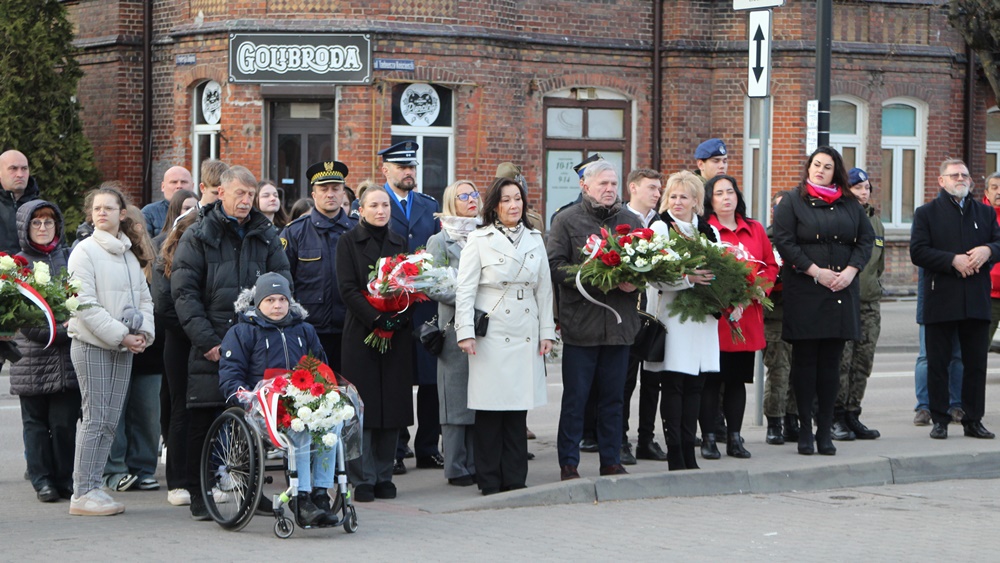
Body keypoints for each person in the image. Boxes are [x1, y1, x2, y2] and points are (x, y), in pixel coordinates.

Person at [171, 165, 291, 519]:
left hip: (255, 343)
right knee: (204, 419)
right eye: (240, 193)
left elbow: (282, 280)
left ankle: (251, 491)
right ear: (220, 192)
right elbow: (185, 293)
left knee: (252, 422)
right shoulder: (198, 234)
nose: (246, 200)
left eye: (251, 195)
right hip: (212, 341)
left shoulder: (265, 233)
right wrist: (207, 341)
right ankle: (200, 492)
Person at [772, 146, 874, 456]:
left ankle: (825, 431)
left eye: (827, 167)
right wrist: (816, 272)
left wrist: (851, 271)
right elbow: (784, 241)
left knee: (831, 365)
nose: (820, 170)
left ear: (835, 172)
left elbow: (865, 240)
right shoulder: (793, 201)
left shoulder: (849, 203)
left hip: (841, 290)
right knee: (804, 364)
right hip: (806, 290)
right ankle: (805, 430)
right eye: (816, 165)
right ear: (808, 167)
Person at [456, 177, 555, 495]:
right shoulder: (479, 239)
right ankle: (489, 479)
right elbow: (465, 289)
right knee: (489, 408)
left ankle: (515, 478)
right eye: (506, 200)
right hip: (492, 332)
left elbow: (544, 289)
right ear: (494, 205)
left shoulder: (535, 238)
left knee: (516, 410)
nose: (514, 205)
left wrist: (547, 331)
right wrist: (465, 332)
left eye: (518, 199)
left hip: (525, 328)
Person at [547, 159, 641, 480]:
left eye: (613, 183)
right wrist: (596, 276)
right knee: (577, 399)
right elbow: (555, 266)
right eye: (603, 183)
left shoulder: (631, 220)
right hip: (581, 324)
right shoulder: (566, 220)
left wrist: (635, 281)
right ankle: (568, 463)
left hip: (619, 326)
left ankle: (611, 460)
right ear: (584, 186)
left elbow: (647, 265)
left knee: (614, 399)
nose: (610, 189)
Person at [218, 272, 334, 526]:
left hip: (301, 404)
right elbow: (230, 378)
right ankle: (301, 498)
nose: (278, 305)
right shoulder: (242, 332)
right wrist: (249, 399)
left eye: (282, 299)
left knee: (331, 424)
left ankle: (321, 493)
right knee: (299, 430)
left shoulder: (304, 330)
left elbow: (321, 368)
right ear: (258, 302)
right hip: (262, 410)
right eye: (270, 300)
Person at [67, 185, 155, 515]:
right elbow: (83, 304)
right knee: (95, 418)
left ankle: (95, 485)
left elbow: (144, 300)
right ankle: (82, 492)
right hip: (92, 345)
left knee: (109, 420)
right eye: (97, 208)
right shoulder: (84, 252)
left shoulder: (129, 255)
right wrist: (122, 336)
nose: (102, 212)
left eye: (109, 207)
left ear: (122, 214)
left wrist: (143, 333)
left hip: (122, 347)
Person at [910, 158, 1000, 440]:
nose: (961, 179)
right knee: (938, 363)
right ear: (942, 181)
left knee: (975, 364)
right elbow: (918, 251)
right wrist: (952, 260)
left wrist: (988, 250)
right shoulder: (926, 213)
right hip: (941, 298)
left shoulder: (985, 213)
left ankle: (973, 420)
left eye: (964, 175)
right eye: (954, 175)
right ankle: (940, 419)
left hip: (976, 299)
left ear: (971, 181)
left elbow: (999, 243)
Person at [336, 186, 413, 502]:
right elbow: (347, 289)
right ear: (361, 209)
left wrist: (398, 314)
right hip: (362, 331)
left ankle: (384, 474)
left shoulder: (399, 241)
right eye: (374, 205)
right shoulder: (348, 241)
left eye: (385, 205)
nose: (381, 211)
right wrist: (376, 318)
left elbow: (409, 284)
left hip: (395, 332)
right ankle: (363, 477)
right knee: (363, 408)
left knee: (391, 407)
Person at [643, 171, 719, 470]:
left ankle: (690, 450)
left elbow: (721, 271)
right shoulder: (660, 227)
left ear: (696, 201)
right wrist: (688, 278)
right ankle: (675, 453)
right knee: (674, 385)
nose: (677, 202)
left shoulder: (708, 231)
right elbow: (654, 274)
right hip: (672, 318)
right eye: (672, 196)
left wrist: (733, 297)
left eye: (683, 197)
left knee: (696, 386)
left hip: (702, 320)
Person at [377, 141, 444, 474]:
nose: (409, 172)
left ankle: (428, 447)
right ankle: (397, 448)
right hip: (391, 304)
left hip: (425, 305)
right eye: (402, 167)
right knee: (397, 380)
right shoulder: (375, 203)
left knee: (431, 380)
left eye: (412, 167)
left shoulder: (428, 205)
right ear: (385, 170)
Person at [701, 175, 778, 460]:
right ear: (710, 200)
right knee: (711, 381)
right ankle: (709, 438)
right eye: (719, 193)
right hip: (715, 316)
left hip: (746, 315)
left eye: (730, 192)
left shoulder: (754, 228)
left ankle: (735, 437)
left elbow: (770, 265)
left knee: (737, 380)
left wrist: (757, 289)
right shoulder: (705, 230)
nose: (726, 198)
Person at [10, 200, 79, 503]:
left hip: (68, 361)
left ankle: (64, 479)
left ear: (57, 225)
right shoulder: (17, 265)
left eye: (48, 222)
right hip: (32, 360)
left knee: (64, 424)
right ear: (25, 228)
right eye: (36, 222)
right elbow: (24, 321)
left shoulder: (71, 258)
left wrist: (74, 325)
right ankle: (42, 481)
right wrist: (66, 330)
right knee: (35, 425)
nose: (42, 228)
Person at [102, 206, 163, 493]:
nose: (132, 233)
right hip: (114, 346)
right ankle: (115, 470)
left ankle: (144, 468)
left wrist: (144, 334)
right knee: (115, 415)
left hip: (150, 350)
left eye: (135, 227)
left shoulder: (155, 263)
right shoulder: (105, 259)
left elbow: (156, 304)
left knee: (148, 416)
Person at [425, 180, 481, 487]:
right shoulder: (440, 240)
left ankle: (475, 461)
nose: (472, 199)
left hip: (484, 326)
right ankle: (456, 466)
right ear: (451, 202)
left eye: (475, 194)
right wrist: (467, 295)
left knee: (478, 397)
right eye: (464, 196)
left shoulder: (486, 234)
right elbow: (433, 286)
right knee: (455, 397)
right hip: (453, 328)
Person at [280, 160, 357, 371]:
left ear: (343, 193)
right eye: (324, 189)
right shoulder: (294, 233)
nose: (330, 194)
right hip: (309, 330)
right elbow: (284, 282)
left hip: (351, 329)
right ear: (314, 194)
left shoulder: (357, 231)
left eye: (335, 188)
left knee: (349, 387)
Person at [619, 168, 668, 463]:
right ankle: (620, 439)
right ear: (633, 188)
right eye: (651, 188)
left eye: (659, 189)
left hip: (655, 311)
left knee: (652, 381)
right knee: (624, 381)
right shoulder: (619, 220)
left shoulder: (662, 224)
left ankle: (646, 439)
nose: (657, 194)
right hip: (627, 313)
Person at [832, 168, 884, 441]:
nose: (864, 193)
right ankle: (835, 415)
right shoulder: (839, 217)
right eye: (857, 188)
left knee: (863, 362)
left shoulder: (875, 221)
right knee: (842, 362)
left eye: (866, 188)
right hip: (843, 300)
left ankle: (853, 413)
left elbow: (878, 265)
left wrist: (874, 287)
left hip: (869, 303)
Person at [152, 212, 198, 506]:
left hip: (206, 341)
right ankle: (178, 482)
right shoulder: (164, 262)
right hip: (180, 342)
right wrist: (197, 332)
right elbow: (164, 307)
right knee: (181, 408)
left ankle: (204, 477)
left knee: (206, 412)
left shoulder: (203, 259)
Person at [762, 191, 799, 445]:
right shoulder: (769, 240)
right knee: (779, 372)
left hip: (800, 316)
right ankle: (774, 422)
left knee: (798, 373)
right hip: (775, 317)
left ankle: (792, 420)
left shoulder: (801, 239)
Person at [912, 267, 964, 426]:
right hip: (932, 302)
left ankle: (956, 405)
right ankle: (924, 407)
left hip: (959, 301)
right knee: (926, 357)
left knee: (957, 356)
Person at [0, 150, 40, 254]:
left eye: (24, 168)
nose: (20, 174)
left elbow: (58, 250)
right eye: (13, 168)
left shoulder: (40, 208)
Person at [142, 166, 193, 237]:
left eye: (184, 182)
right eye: (174, 182)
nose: (179, 186)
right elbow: (145, 242)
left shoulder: (201, 211)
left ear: (192, 186)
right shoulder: (149, 212)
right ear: (163, 186)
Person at [985, 172, 1000, 343]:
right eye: (994, 188)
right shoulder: (978, 218)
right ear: (987, 193)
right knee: (981, 345)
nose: (999, 192)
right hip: (989, 295)